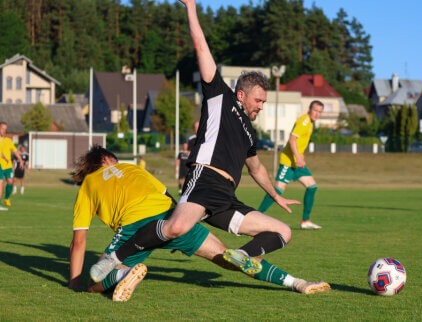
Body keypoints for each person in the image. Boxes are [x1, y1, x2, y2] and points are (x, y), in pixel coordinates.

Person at [89, 0, 300, 283]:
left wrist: (276, 195)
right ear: (241, 95)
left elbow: (257, 168)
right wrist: (190, 6)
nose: (261, 106)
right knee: (175, 228)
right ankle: (115, 259)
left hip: (226, 197)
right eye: (258, 100)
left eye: (264, 101)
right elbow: (201, 47)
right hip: (205, 180)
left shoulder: (250, 133)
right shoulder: (220, 97)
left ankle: (243, 255)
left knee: (283, 232)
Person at [69, 146, 330, 302]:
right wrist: (175, 229)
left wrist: (73, 283)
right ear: (107, 159)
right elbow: (169, 198)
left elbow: (79, 241)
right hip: (172, 217)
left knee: (95, 282)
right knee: (230, 258)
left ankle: (124, 273)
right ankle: (297, 283)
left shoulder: (88, 185)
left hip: (134, 226)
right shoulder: (133, 167)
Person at [258, 101, 324, 230]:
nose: (317, 114)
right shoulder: (304, 121)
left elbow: (299, 143)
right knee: (277, 190)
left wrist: (300, 157)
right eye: (315, 110)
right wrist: (298, 158)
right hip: (288, 162)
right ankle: (255, 216)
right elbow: (292, 139)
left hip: (297, 163)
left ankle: (305, 221)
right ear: (309, 109)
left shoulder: (310, 123)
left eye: (320, 111)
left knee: (312, 187)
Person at [0, 122, 24, 208]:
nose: (4, 131)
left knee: (10, 181)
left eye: (6, 129)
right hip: (0, 166)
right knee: (1, 183)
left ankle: (6, 198)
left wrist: (21, 160)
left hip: (8, 166)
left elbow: (15, 151)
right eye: (3, 129)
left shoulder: (9, 141)